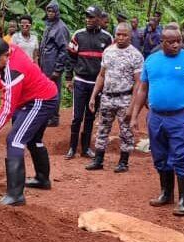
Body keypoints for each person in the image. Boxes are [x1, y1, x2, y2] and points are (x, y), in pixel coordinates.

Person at [130, 26, 184, 216]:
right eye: (170, 42)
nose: (176, 45)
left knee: (180, 156)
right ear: (162, 42)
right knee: (159, 156)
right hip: (156, 117)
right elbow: (142, 89)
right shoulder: (151, 60)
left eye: (178, 41)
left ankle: (183, 200)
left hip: (180, 117)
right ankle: (166, 193)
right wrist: (134, 115)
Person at [0, 38, 58, 205]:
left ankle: (15, 195)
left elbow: (7, 109)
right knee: (33, 140)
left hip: (40, 100)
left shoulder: (14, 71)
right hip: (36, 96)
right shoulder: (8, 49)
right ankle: (42, 180)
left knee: (15, 140)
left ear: (5, 56)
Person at [86, 23, 144, 172]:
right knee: (102, 128)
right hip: (107, 97)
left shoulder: (136, 55)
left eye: (124, 35)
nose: (121, 37)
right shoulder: (108, 52)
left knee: (125, 131)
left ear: (130, 36)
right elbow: (101, 75)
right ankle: (98, 160)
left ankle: (123, 162)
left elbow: (138, 83)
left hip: (124, 97)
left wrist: (132, 106)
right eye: (118, 34)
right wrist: (93, 96)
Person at [64, 5, 113, 160]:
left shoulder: (107, 38)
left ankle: (85, 148)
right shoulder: (78, 35)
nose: (88, 20)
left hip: (96, 84)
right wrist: (68, 78)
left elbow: (111, 62)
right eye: (87, 17)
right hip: (80, 81)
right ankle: (72, 148)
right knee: (77, 116)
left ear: (99, 19)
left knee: (91, 117)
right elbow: (70, 57)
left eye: (92, 17)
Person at [39, 0, 70, 127]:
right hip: (45, 64)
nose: (50, 13)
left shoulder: (61, 27)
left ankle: (54, 117)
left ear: (57, 12)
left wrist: (58, 69)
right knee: (46, 90)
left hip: (53, 66)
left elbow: (64, 50)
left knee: (54, 90)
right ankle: (48, 116)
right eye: (48, 11)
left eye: (52, 11)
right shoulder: (49, 25)